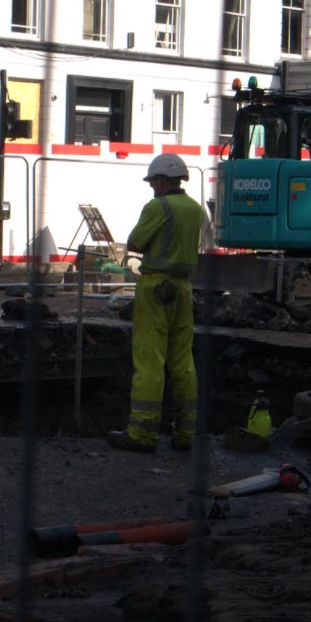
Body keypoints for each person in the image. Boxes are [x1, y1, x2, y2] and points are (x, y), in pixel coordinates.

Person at [108, 153, 206, 453]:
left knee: (150, 360)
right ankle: (187, 433)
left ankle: (143, 432)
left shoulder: (158, 206)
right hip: (184, 287)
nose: (152, 188)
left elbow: (135, 242)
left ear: (162, 181)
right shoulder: (195, 209)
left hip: (156, 286)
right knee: (183, 361)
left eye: (154, 182)